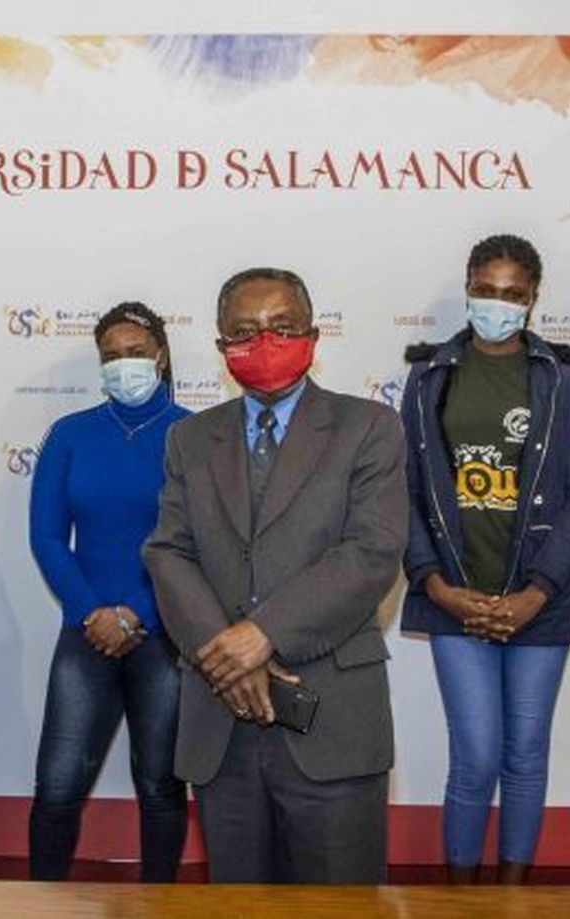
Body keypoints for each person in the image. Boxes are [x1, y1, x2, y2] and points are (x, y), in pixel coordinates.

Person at [143, 268, 408, 884]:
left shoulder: (369, 428)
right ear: (219, 347)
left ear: (313, 334)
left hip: (333, 722)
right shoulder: (189, 438)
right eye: (243, 331)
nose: (263, 342)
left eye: (281, 327)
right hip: (222, 724)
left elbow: (372, 552)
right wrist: (226, 656)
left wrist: (261, 634)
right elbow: (167, 552)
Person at [398, 234, 570, 884]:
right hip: (454, 596)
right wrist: (435, 584)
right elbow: (403, 488)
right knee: (476, 755)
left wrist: (536, 592)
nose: (498, 303)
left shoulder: (562, 381)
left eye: (513, 293)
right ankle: (460, 891)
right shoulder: (429, 375)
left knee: (524, 753)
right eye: (487, 289)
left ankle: (514, 891)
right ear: (467, 287)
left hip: (541, 601)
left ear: (533, 299)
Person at [27, 303, 190, 882]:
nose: (125, 364)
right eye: (112, 356)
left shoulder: (193, 434)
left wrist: (138, 615)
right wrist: (93, 612)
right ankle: (40, 901)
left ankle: (159, 902)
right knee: (58, 784)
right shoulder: (70, 436)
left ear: (161, 356)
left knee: (161, 785)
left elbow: (194, 542)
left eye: (136, 352)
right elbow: (47, 537)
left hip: (166, 632)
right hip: (86, 629)